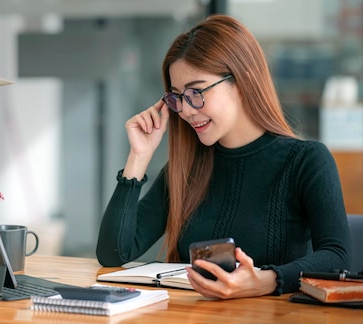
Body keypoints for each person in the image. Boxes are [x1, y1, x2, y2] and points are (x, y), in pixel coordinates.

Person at [95, 14, 351, 299]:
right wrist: (138, 157)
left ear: (241, 82)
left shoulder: (306, 161)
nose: (187, 110)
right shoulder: (186, 169)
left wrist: (265, 280)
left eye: (196, 92)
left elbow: (337, 256)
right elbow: (113, 253)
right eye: (178, 96)